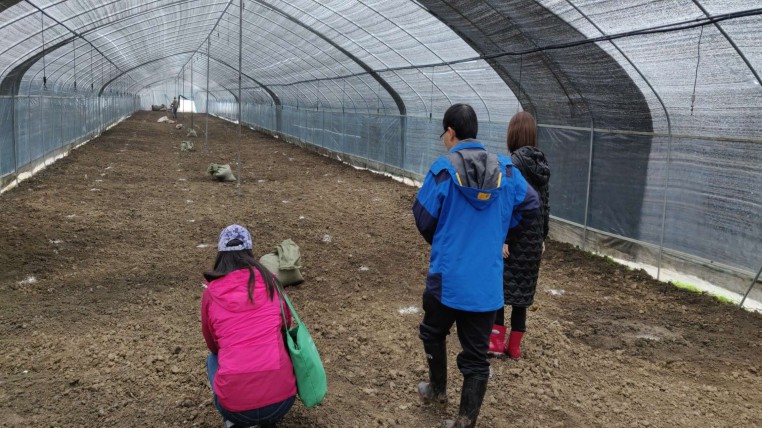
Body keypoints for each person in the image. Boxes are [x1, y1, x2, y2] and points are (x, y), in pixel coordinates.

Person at [413, 104, 540, 428]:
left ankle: (437, 390)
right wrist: (503, 232)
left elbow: (423, 217)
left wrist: (445, 239)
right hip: (486, 284)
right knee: (476, 358)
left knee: (432, 331)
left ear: (451, 132)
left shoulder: (443, 170)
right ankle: (465, 422)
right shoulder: (506, 171)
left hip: (447, 278)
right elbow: (531, 203)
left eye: (443, 133)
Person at [201, 224, 296, 428]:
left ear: (221, 254)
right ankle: (267, 417)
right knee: (280, 347)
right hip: (282, 402)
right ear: (250, 251)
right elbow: (286, 325)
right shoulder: (271, 281)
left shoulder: (211, 292)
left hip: (235, 407)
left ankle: (234, 422)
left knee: (213, 359)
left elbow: (212, 344)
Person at [488, 112, 550, 359]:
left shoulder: (511, 164)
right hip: (532, 243)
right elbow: (545, 205)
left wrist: (505, 238)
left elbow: (507, 206)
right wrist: (542, 237)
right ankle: (514, 348)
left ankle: (495, 344)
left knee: (500, 293)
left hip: (513, 241)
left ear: (513, 134)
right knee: (521, 297)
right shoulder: (542, 164)